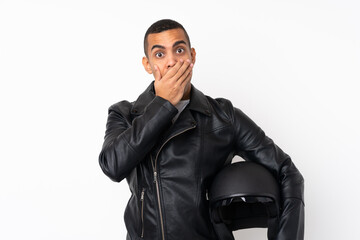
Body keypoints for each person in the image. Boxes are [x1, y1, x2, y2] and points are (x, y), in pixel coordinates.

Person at [98, 19, 304, 240]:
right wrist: (163, 104)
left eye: (179, 50)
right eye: (160, 54)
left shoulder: (224, 116)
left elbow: (288, 172)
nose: (172, 62)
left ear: (192, 56)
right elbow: (112, 165)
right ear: (147, 65)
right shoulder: (125, 114)